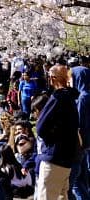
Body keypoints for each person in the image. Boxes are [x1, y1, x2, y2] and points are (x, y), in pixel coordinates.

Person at [36, 64, 80, 200]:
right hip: (67, 157)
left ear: (53, 78)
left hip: (54, 157)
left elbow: (41, 127)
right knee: (62, 196)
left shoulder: (58, 98)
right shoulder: (72, 98)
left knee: (46, 196)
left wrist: (52, 139)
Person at [68, 66, 90, 200]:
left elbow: (79, 123)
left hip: (81, 143)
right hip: (87, 143)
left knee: (76, 181)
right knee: (83, 178)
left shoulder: (82, 98)